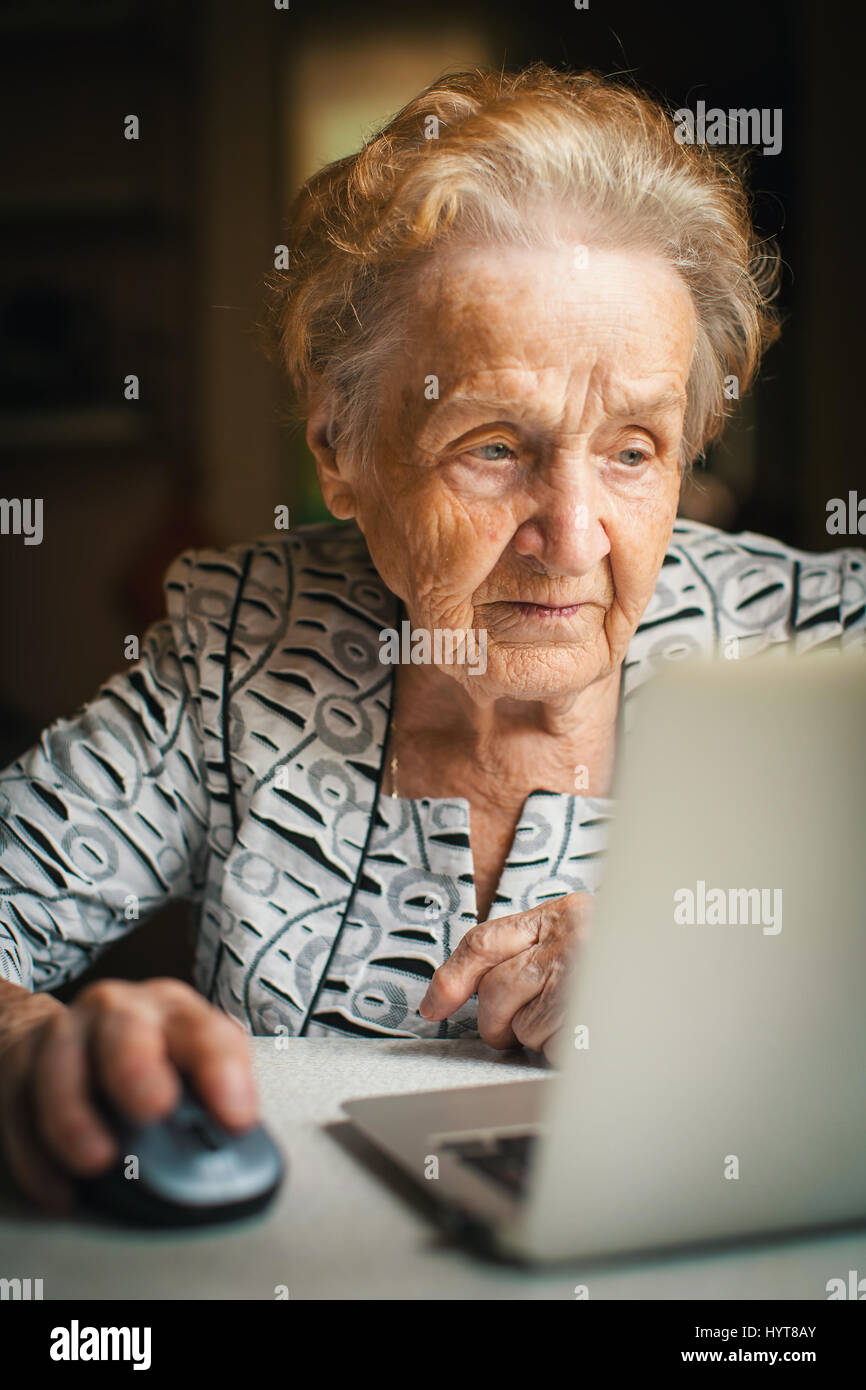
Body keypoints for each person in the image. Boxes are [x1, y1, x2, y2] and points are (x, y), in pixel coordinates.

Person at [1, 63, 864, 1213]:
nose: (569, 538)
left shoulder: (819, 644)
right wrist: (24, 1047)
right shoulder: (240, 653)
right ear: (338, 451)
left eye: (631, 450)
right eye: (494, 446)